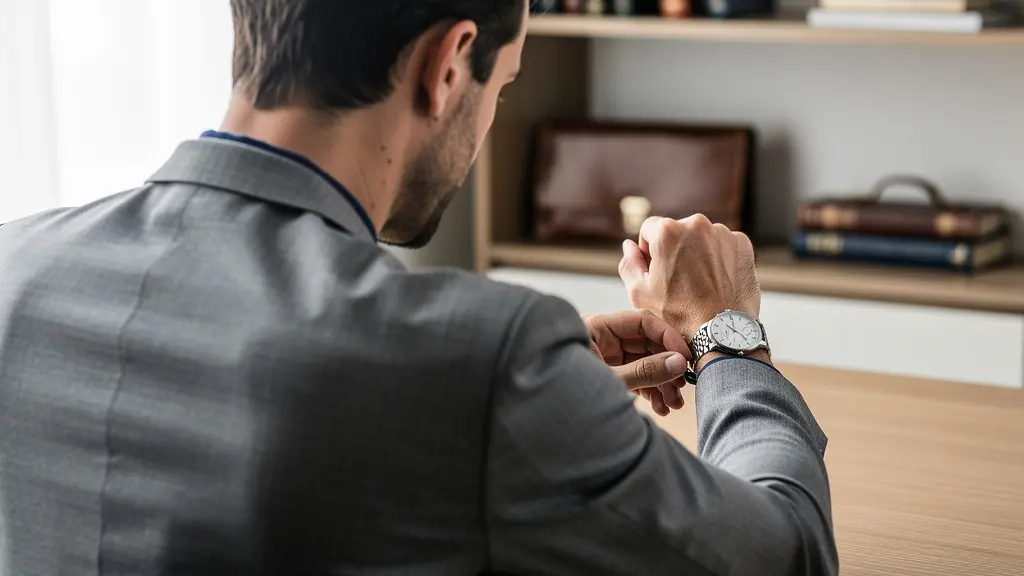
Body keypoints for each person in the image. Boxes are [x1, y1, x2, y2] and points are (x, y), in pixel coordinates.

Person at [0, 1, 837, 574]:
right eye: (503, 87)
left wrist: (532, 396)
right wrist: (726, 334)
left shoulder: (14, 265)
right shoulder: (480, 362)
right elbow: (789, 554)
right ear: (448, 64)